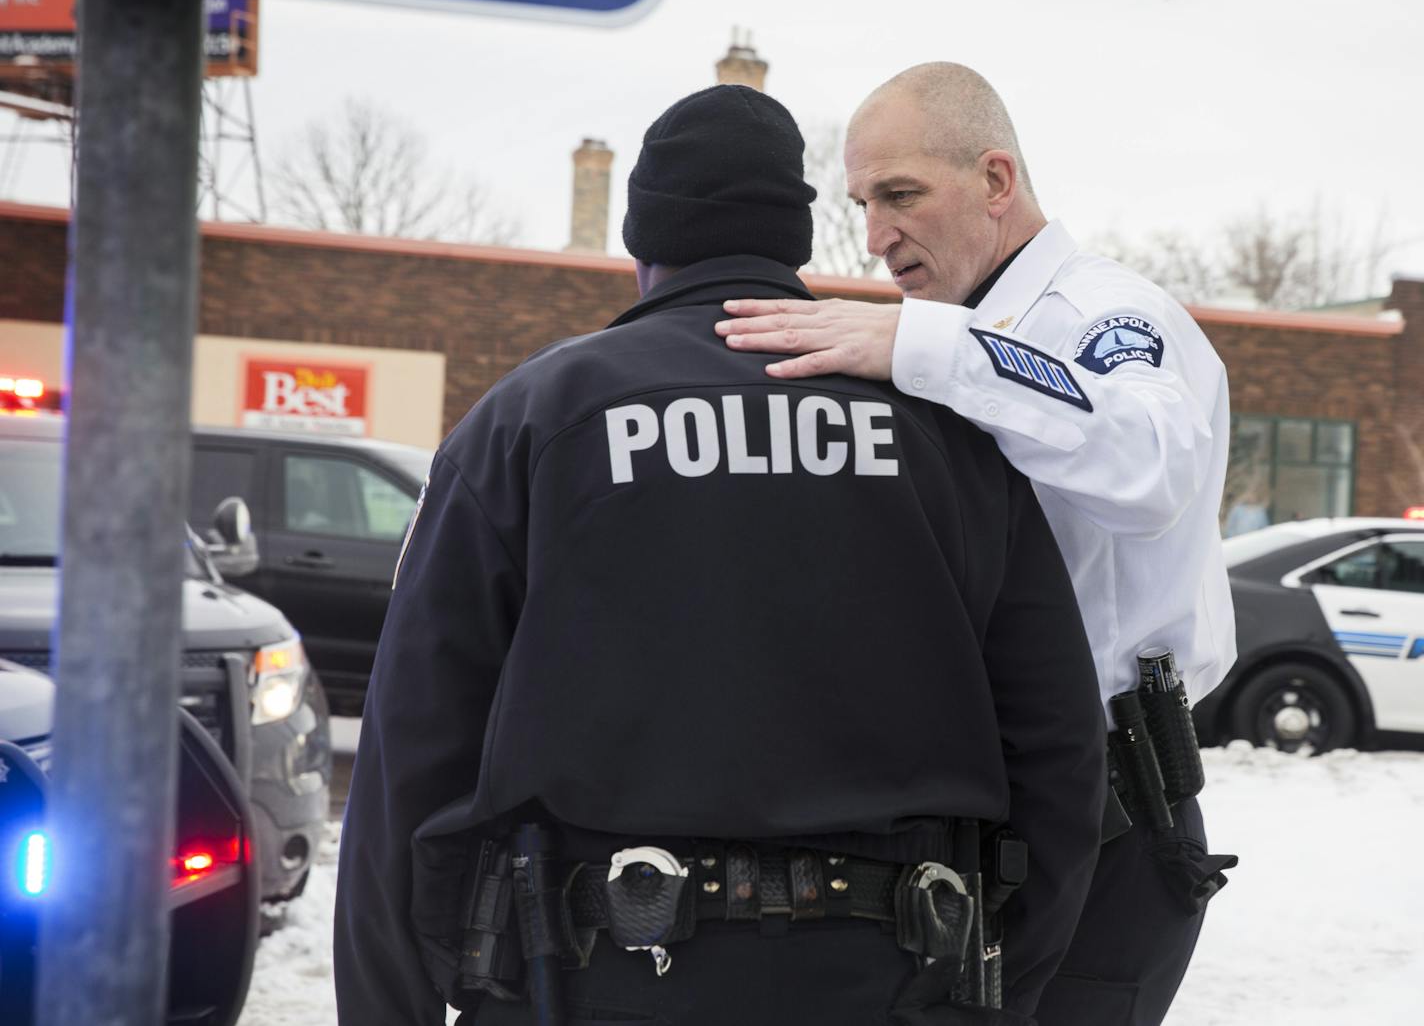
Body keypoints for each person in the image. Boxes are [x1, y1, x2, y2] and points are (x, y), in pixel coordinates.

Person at [333, 83, 1105, 1026]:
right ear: (795, 235)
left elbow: (413, 739)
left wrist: (392, 1003)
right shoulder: (947, 431)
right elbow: (1060, 744)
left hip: (589, 979)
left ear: (641, 244)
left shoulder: (535, 417)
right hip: (892, 979)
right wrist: (1002, 987)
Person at [715, 62, 1238, 1026]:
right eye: (863, 203)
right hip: (978, 813)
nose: (876, 236)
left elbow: (1154, 465)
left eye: (901, 195)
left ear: (996, 181)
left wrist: (926, 350)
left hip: (1108, 825)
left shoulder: (1101, 316)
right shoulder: (971, 332)